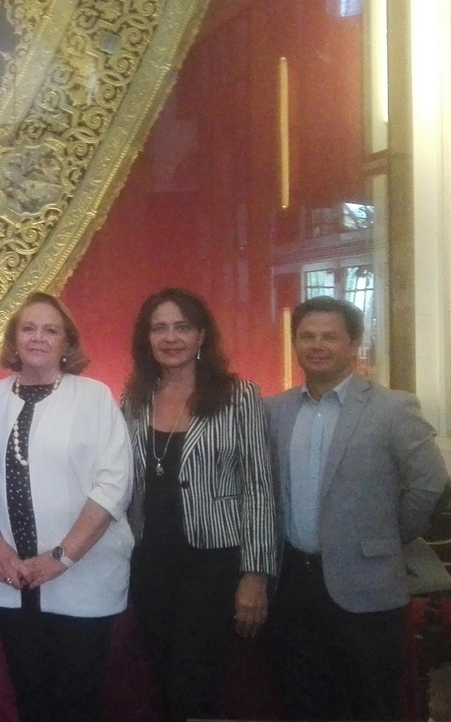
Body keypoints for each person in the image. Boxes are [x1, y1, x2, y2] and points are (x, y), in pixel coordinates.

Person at [266, 296, 449, 720]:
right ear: (295, 343)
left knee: (372, 704)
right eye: (307, 336)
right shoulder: (273, 410)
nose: (317, 345)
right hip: (292, 583)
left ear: (354, 344)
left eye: (330, 336)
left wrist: (387, 534)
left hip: (368, 585)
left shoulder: (392, 407)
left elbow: (431, 484)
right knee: (302, 701)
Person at [0, 292, 132, 722]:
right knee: (31, 696)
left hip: (82, 576)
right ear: (13, 338)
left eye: (50, 330)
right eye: (28, 328)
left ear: (68, 343)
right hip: (10, 577)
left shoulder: (94, 397)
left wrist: (61, 557)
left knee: (78, 699)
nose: (38, 338)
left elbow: (114, 485)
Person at [120, 288, 277, 722]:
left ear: (201, 335)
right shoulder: (132, 400)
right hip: (149, 560)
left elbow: (260, 488)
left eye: (182, 327)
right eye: (159, 328)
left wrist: (256, 576)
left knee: (196, 681)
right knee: (161, 677)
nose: (171, 338)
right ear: (146, 338)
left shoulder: (238, 396)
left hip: (213, 563)